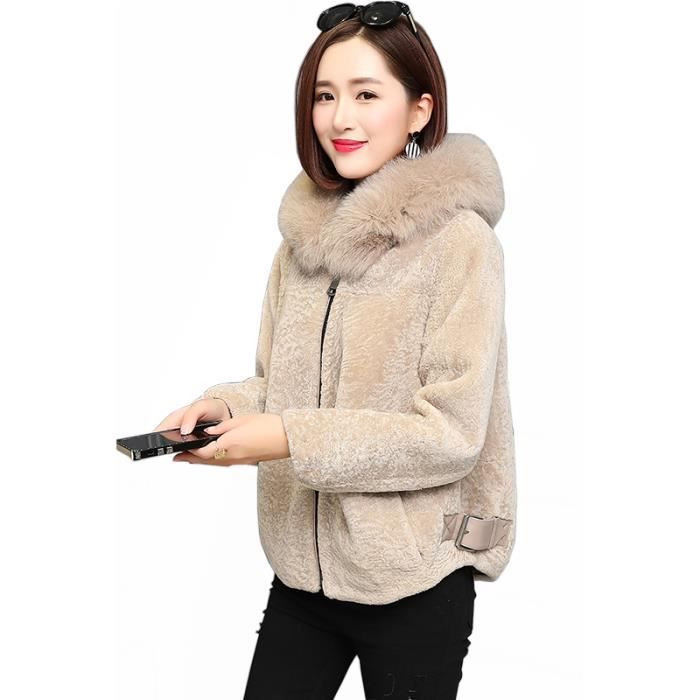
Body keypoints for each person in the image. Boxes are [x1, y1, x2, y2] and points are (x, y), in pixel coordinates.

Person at [153, 3, 516, 698]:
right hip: (302, 574)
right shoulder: (301, 248)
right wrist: (225, 407)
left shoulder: (460, 244)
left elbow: (451, 435)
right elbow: (280, 388)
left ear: (419, 111)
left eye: (366, 94)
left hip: (416, 576)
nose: (340, 118)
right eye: (324, 96)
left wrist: (288, 436)